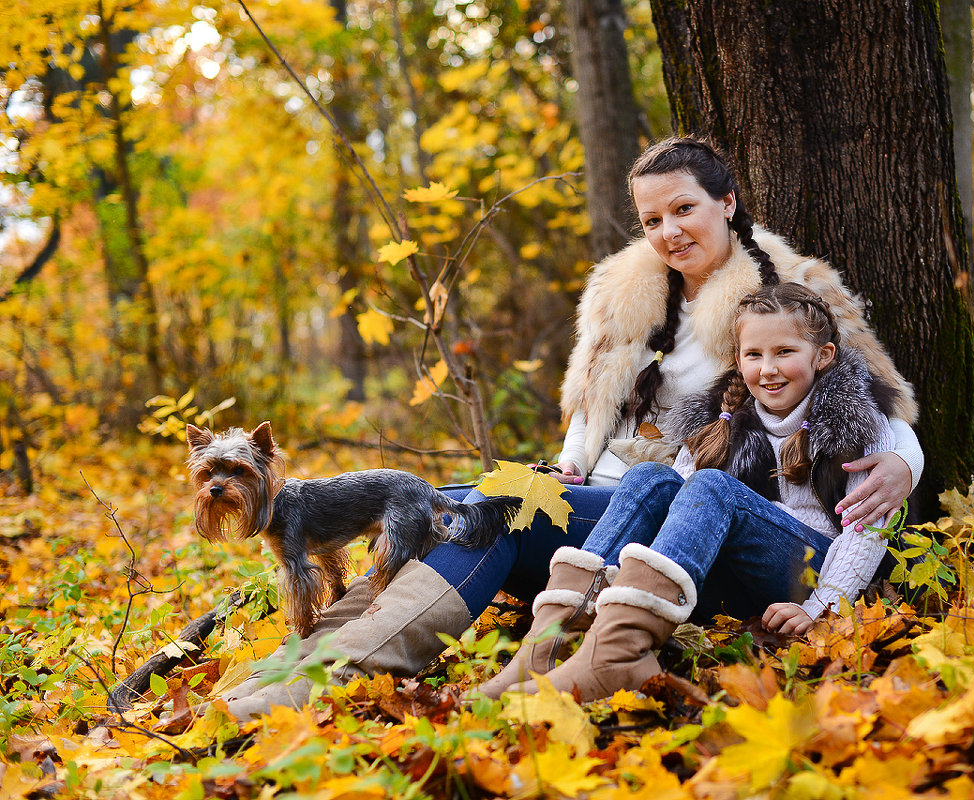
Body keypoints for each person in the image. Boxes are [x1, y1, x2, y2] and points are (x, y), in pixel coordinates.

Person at [214, 138, 922, 719]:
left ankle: (325, 678)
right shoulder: (626, 293)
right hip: (606, 511)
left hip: (688, 527)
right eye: (651, 219)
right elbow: (589, 411)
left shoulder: (784, 293)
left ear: (727, 204)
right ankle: (303, 662)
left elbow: (873, 400)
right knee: (457, 498)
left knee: (489, 505)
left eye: (685, 209)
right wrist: (565, 471)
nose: (669, 231)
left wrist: (907, 468)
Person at [486, 283, 903, 701]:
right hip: (735, 578)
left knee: (712, 486)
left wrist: (820, 609)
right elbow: (680, 504)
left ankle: (617, 655)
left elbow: (864, 534)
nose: (768, 369)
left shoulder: (857, 421)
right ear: (738, 360)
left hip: (809, 574)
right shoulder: (720, 416)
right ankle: (546, 645)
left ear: (823, 355)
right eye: (754, 355)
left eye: (785, 352)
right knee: (651, 477)